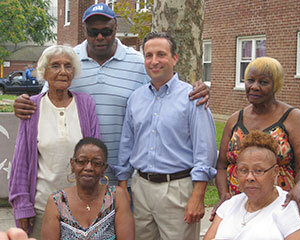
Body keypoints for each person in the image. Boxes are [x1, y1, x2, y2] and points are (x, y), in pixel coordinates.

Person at [13, 3, 210, 188]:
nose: (100, 37)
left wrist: (195, 89)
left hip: (126, 177)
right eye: (93, 31)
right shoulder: (68, 61)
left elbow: (165, 90)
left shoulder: (139, 63)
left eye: (106, 31)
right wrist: (23, 103)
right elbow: (46, 101)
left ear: (115, 29)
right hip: (80, 176)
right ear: (85, 31)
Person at [114, 32, 217, 240]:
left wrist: (197, 196)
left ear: (174, 58)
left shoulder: (192, 98)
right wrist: (124, 187)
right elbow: (127, 144)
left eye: (161, 54)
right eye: (148, 55)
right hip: (141, 188)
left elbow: (204, 151)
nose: (154, 61)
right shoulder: (136, 98)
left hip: (177, 189)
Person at [9, 45, 100, 239]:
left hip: (80, 207)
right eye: (55, 66)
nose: (62, 71)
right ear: (44, 71)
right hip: (43, 207)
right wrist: (22, 206)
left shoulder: (85, 104)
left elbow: (96, 157)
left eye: (68, 66)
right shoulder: (31, 106)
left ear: (73, 72)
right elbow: (21, 162)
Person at [212, 57, 300, 224]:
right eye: (250, 80)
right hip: (239, 206)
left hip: (278, 206)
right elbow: (222, 165)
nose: (254, 87)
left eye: (263, 82)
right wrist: (224, 197)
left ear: (276, 85)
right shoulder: (235, 119)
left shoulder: (292, 118)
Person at [204, 130, 300, 240]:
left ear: (275, 172)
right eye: (243, 170)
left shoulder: (292, 211)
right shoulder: (229, 206)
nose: (249, 177)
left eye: (259, 171)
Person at [42, 137, 133, 240]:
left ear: (104, 168)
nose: (89, 167)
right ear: (72, 164)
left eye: (96, 163)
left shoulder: (116, 196)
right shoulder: (57, 202)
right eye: (82, 161)